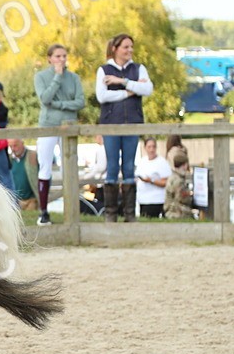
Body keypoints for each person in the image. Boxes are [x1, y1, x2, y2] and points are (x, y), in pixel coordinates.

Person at [96, 33, 153, 222]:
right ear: (115, 49)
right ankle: (111, 213)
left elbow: (147, 89)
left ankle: (129, 214)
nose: (129, 51)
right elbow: (102, 96)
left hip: (132, 123)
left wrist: (122, 82)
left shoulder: (138, 68)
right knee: (112, 166)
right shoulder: (104, 70)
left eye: (131, 47)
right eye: (125, 47)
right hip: (111, 123)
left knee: (129, 166)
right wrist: (128, 93)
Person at [33, 43, 85, 225]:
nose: (62, 59)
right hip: (48, 125)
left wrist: (60, 104)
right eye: (58, 56)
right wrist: (57, 77)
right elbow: (45, 99)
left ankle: (70, 210)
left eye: (64, 56)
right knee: (45, 166)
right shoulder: (41, 77)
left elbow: (80, 102)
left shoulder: (74, 78)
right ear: (50, 58)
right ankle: (44, 211)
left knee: (68, 168)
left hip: (68, 126)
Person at [134, 137, 171, 218]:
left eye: (154, 146)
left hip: (157, 200)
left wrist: (151, 181)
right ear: (145, 148)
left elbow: (167, 182)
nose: (152, 149)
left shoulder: (162, 162)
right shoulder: (142, 161)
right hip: (143, 200)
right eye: (149, 147)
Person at [7, 138, 39, 211]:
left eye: (15, 146)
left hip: (32, 201)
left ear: (22, 143)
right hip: (15, 202)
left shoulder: (33, 156)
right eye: (11, 146)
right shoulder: (9, 159)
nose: (13, 149)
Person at [164, 149, 194, 220]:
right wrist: (191, 195)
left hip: (169, 212)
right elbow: (182, 199)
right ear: (184, 165)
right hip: (177, 214)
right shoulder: (179, 181)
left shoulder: (172, 177)